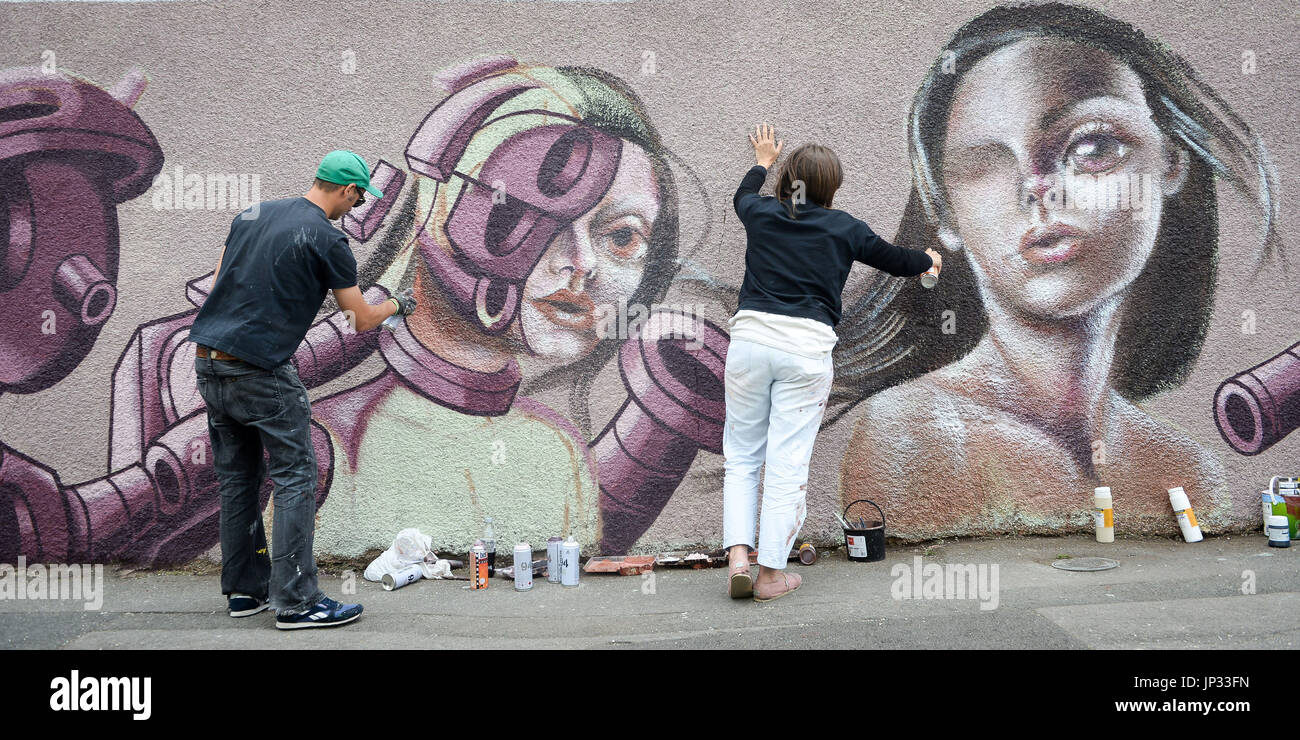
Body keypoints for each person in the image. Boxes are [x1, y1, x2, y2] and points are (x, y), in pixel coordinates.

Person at [834, 3, 1282, 539]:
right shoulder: (911, 437)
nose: (1037, 186)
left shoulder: (1185, 469)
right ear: (944, 213)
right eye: (985, 161)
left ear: (1171, 161)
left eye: (1091, 145)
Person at [189, 150, 417, 630]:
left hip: (209, 362)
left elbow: (217, 284)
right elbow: (358, 318)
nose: (355, 208)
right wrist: (395, 302)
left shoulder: (254, 214)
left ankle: (245, 592)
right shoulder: (329, 240)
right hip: (261, 369)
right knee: (296, 475)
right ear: (348, 190)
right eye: (357, 198)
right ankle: (296, 601)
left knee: (238, 479)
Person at [724, 124, 938, 601]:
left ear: (786, 181)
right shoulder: (845, 229)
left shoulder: (760, 213)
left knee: (741, 456)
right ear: (831, 189)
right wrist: (927, 259)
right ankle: (770, 576)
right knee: (786, 464)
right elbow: (896, 260)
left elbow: (742, 194)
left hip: (750, 342)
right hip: (805, 351)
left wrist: (761, 159)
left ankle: (739, 555)